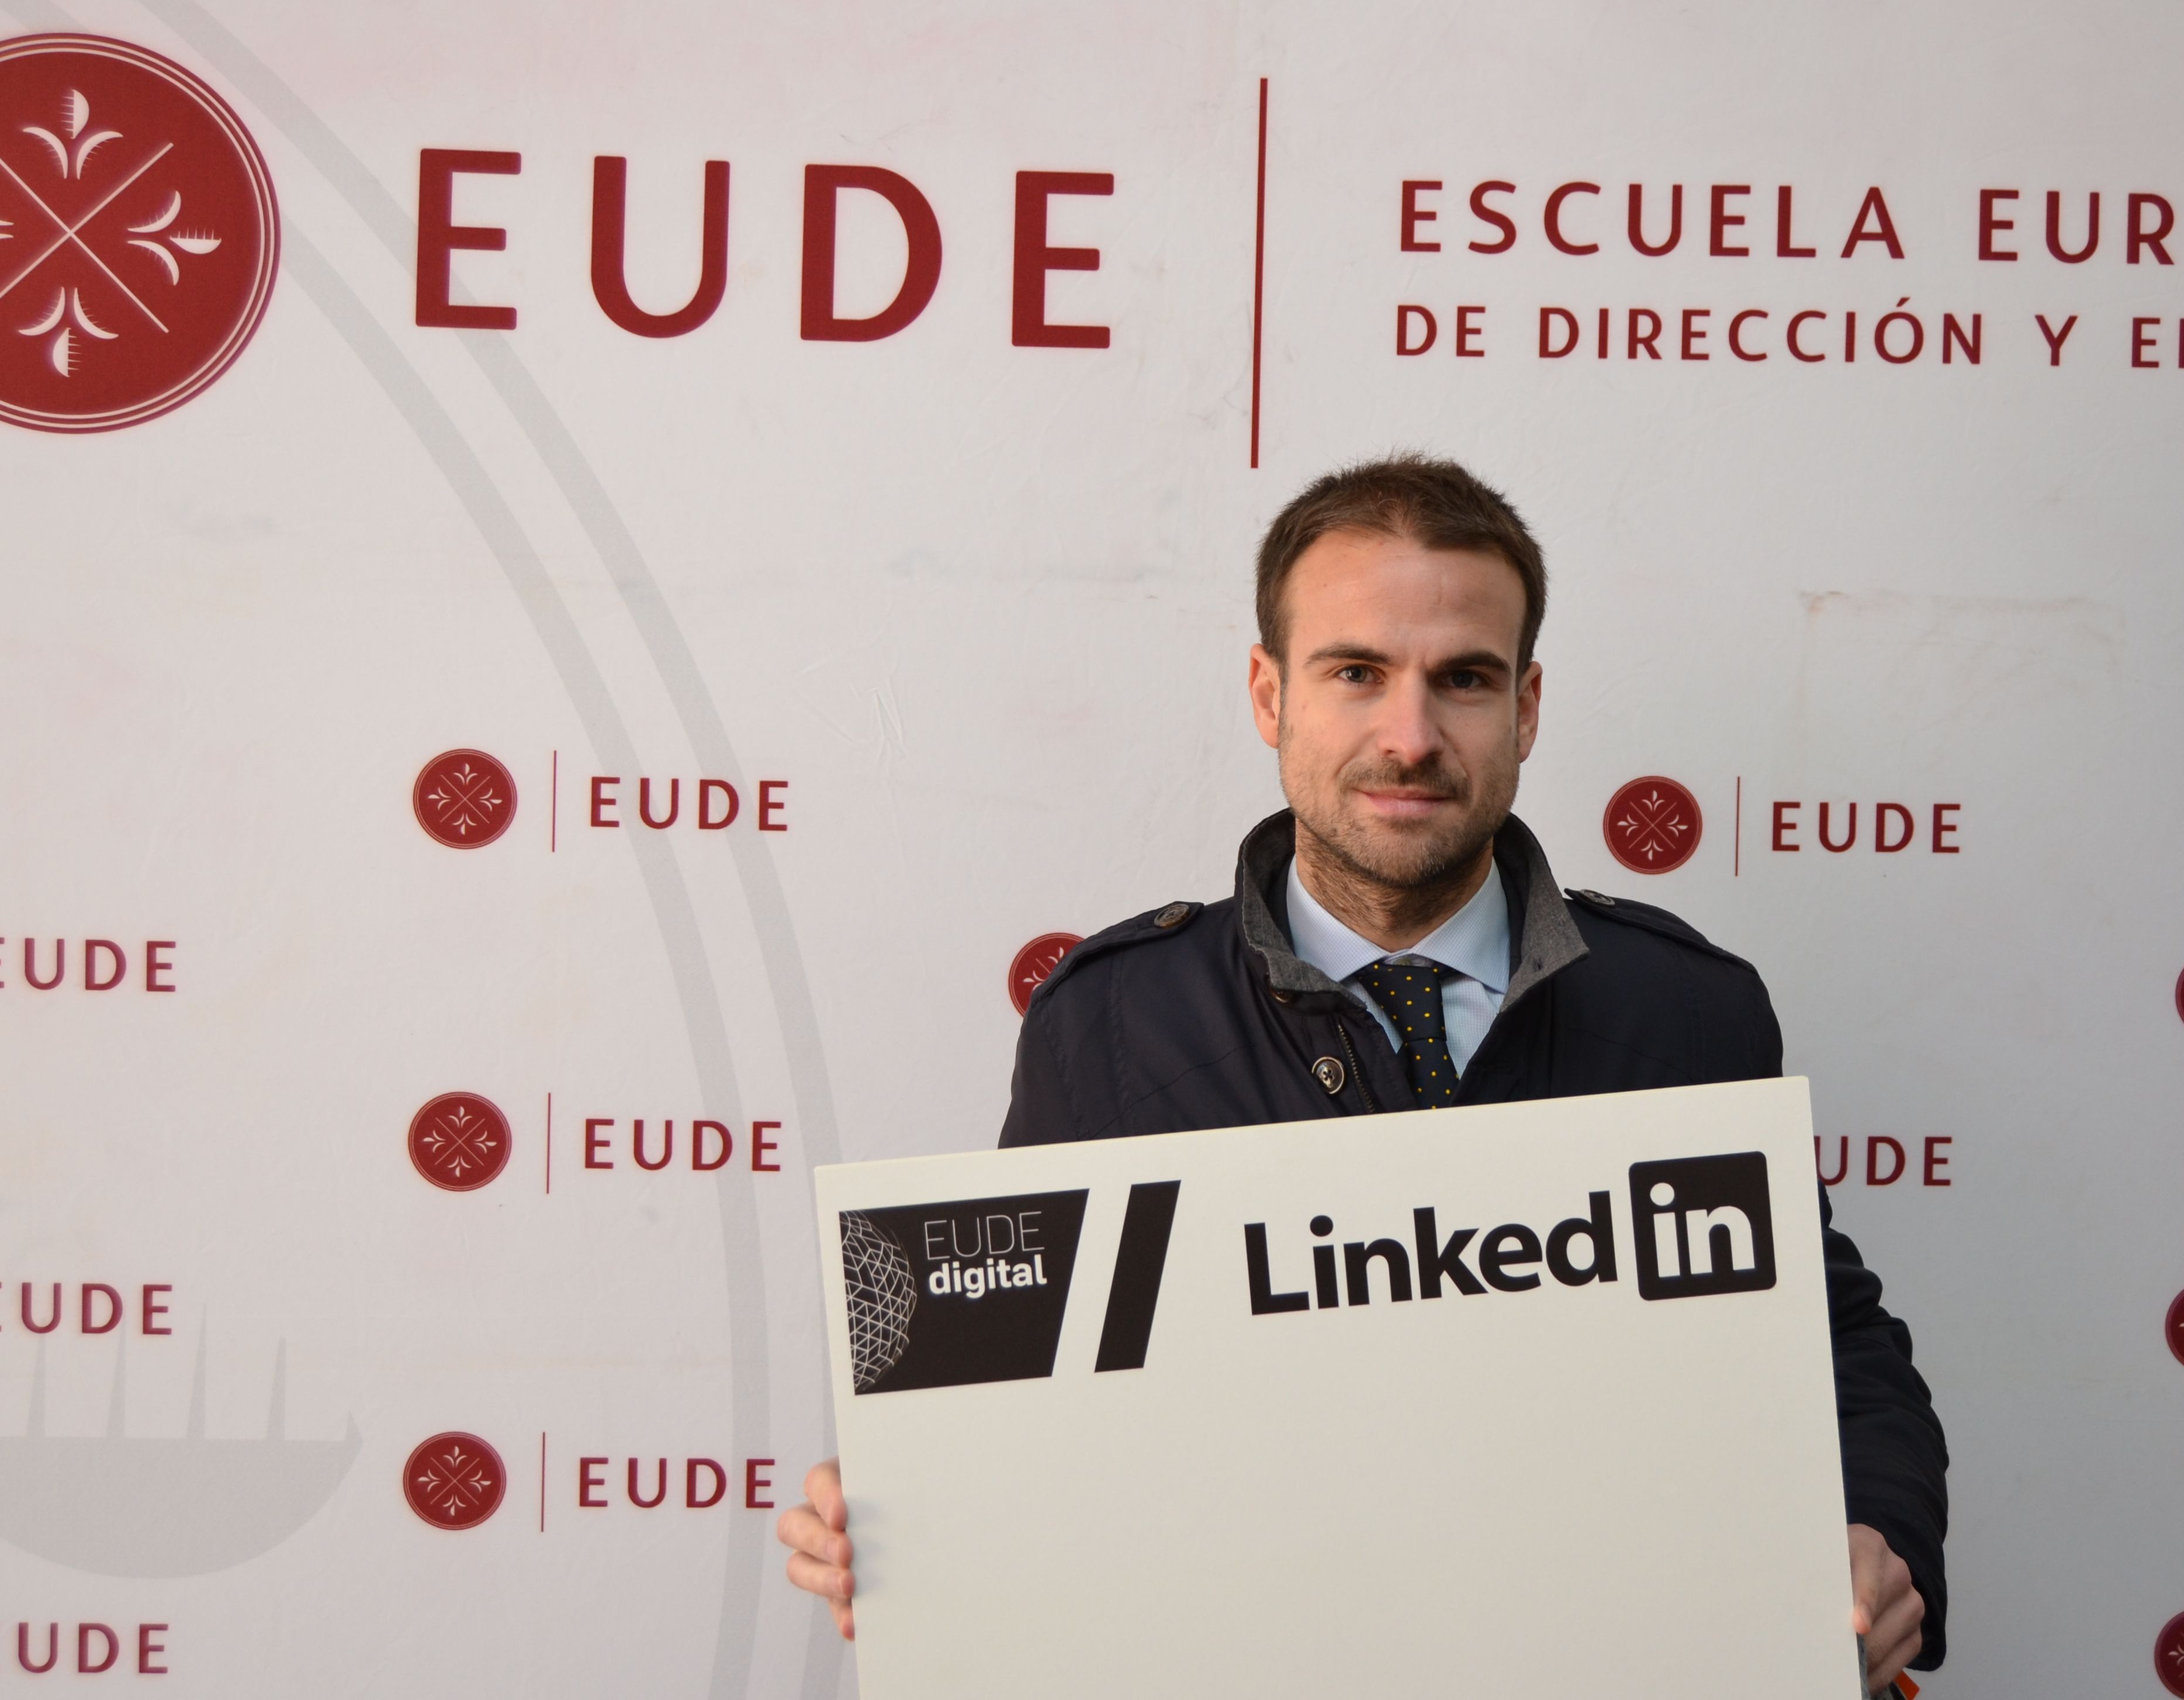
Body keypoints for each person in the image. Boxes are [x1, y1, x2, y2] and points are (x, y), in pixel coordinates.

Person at [780, 455, 1949, 1688]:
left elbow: (1828, 1347)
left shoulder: (1686, 1013)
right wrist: (914, 1507)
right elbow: (1022, 1402)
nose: (1410, 738)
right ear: (1269, 694)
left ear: (1527, 708)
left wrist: (1880, 1533)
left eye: (1464, 680)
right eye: (1356, 674)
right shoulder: (1110, 1024)